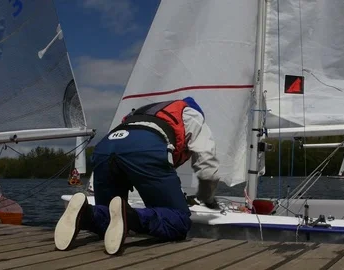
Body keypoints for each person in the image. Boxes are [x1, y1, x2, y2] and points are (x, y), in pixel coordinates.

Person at [54, 96, 221, 255]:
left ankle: (85, 214)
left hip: (105, 147)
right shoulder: (192, 114)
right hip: (144, 148)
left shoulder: (145, 111)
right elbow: (207, 161)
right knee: (178, 221)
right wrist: (208, 197)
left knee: (107, 217)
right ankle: (130, 215)